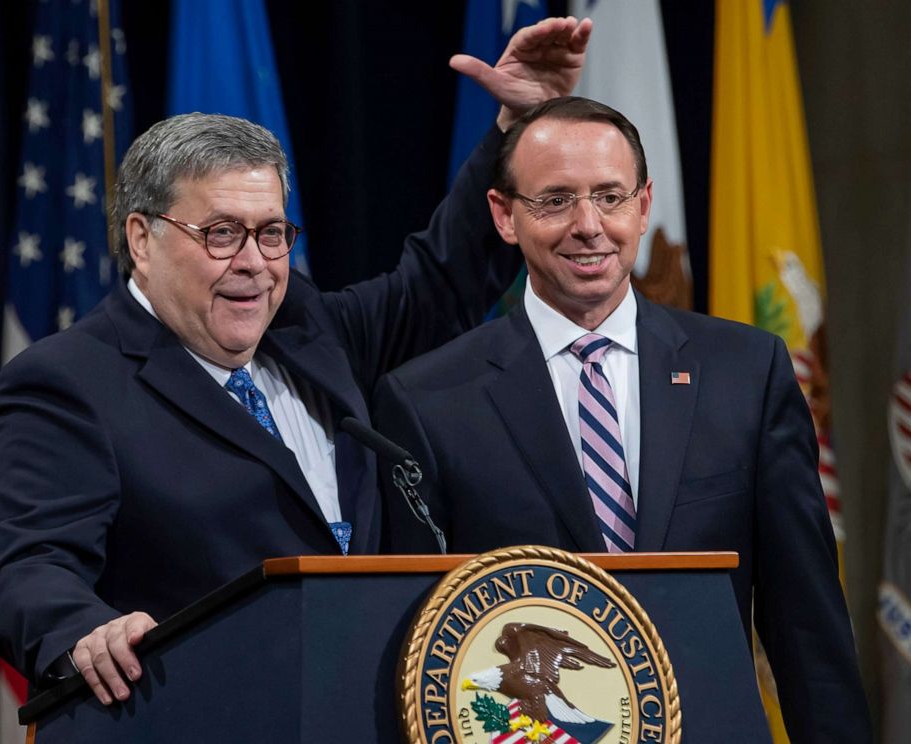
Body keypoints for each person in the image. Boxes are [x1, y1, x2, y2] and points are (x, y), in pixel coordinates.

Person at [0, 18, 594, 706]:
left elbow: (439, 283)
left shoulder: (305, 328)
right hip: (199, 716)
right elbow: (28, 564)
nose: (254, 264)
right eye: (220, 234)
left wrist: (519, 120)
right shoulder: (69, 381)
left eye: (271, 233)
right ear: (141, 240)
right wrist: (85, 630)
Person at [373, 96, 872, 740]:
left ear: (643, 205)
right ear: (503, 215)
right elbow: (416, 640)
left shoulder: (746, 372)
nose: (589, 224)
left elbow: (807, 623)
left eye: (610, 196)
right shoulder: (427, 400)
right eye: (555, 200)